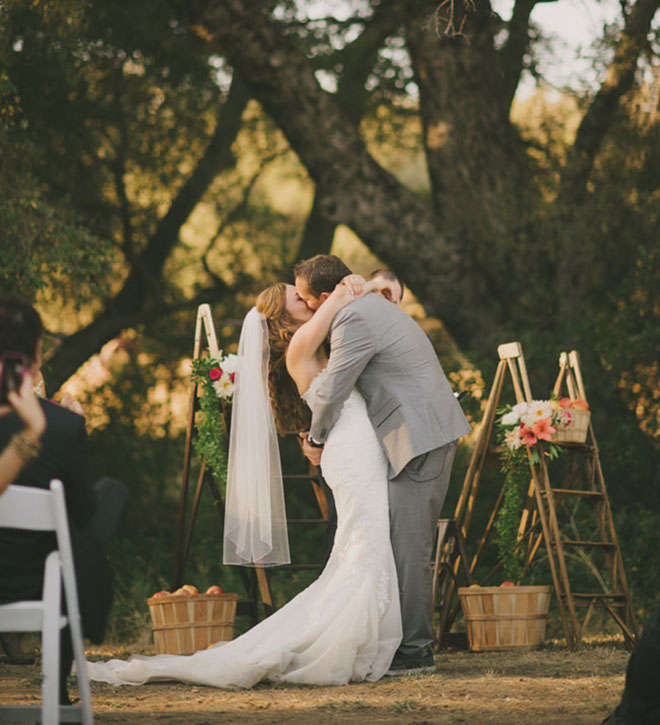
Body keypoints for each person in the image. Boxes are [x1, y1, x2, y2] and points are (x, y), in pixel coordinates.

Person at [87, 276, 403, 688]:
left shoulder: (316, 336)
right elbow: (340, 296)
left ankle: (362, 636)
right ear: (281, 314)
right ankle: (348, 641)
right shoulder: (303, 341)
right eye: (296, 295)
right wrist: (356, 287)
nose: (304, 297)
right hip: (352, 452)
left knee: (363, 545)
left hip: (355, 446)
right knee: (365, 543)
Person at [294, 254, 471, 675]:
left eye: (304, 300)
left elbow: (333, 387)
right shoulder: (367, 307)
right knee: (400, 541)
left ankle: (416, 652)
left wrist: (315, 439)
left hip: (421, 437)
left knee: (410, 547)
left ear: (323, 297)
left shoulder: (352, 319)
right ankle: (404, 643)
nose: (304, 309)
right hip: (417, 434)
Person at [0, 295, 128, 704]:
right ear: (36, 354)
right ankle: (56, 689)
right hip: (42, 580)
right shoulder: (62, 425)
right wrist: (70, 427)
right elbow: (82, 513)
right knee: (106, 500)